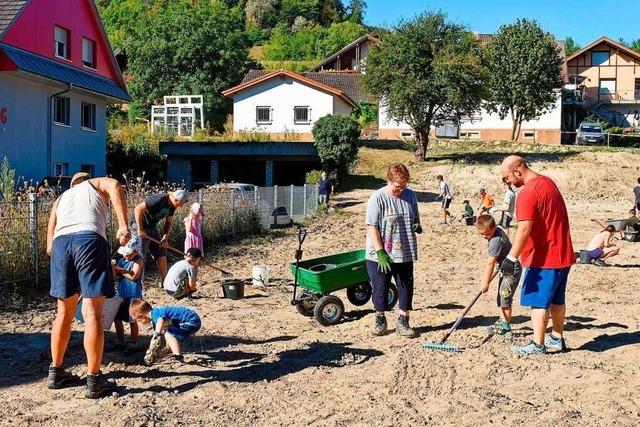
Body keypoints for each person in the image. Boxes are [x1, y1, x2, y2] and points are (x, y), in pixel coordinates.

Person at [46, 172, 131, 398]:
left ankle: (56, 372)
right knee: (93, 314)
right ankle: (94, 380)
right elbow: (114, 184)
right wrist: (123, 225)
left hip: (61, 244)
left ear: (72, 184)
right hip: (89, 240)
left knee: (63, 313)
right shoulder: (94, 185)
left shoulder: (62, 197)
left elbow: (49, 239)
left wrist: (54, 250)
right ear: (88, 181)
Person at [500, 156, 574, 355]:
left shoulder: (527, 193)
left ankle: (538, 344)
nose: (507, 182)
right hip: (563, 253)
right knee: (557, 300)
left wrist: (511, 258)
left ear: (518, 172)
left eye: (507, 177)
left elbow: (524, 229)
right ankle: (557, 338)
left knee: (538, 302)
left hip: (544, 257)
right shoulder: (548, 183)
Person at [365, 163, 421, 338]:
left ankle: (403, 321)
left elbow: (415, 216)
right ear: (389, 180)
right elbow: (372, 226)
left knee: (406, 286)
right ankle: (380, 318)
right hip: (381, 254)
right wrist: (380, 251)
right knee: (380, 287)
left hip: (404, 251)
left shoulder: (410, 195)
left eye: (404, 186)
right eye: (398, 186)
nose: (401, 189)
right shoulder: (377, 198)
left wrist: (417, 224)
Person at [476, 214, 521, 337]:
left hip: (511, 271)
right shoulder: (499, 230)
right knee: (501, 297)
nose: (485, 237)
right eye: (482, 235)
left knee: (505, 298)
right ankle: (502, 321)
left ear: (494, 228)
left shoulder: (495, 242)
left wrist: (485, 283)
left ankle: (506, 326)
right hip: (505, 269)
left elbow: (490, 263)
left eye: (487, 234)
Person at [133, 189, 188, 282]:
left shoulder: (172, 206)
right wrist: (140, 228)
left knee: (161, 251)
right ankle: (139, 285)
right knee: (140, 255)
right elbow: (138, 209)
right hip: (139, 225)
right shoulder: (159, 199)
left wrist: (165, 237)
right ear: (176, 200)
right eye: (181, 203)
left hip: (151, 227)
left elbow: (169, 222)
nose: (181, 206)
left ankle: (165, 282)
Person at [129, 300, 202, 364]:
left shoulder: (156, 315)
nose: (140, 323)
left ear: (142, 316)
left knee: (169, 334)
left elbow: (161, 321)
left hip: (191, 321)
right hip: (191, 319)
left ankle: (178, 357)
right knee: (167, 331)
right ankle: (170, 352)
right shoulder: (156, 314)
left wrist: (156, 335)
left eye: (138, 320)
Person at [111, 236, 144, 353]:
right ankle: (120, 341)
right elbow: (115, 276)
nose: (126, 256)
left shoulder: (138, 261)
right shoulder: (121, 261)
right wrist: (114, 269)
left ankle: (133, 343)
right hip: (121, 294)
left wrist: (120, 270)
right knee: (117, 318)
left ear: (135, 252)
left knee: (132, 320)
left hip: (133, 294)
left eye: (128, 254)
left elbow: (134, 276)